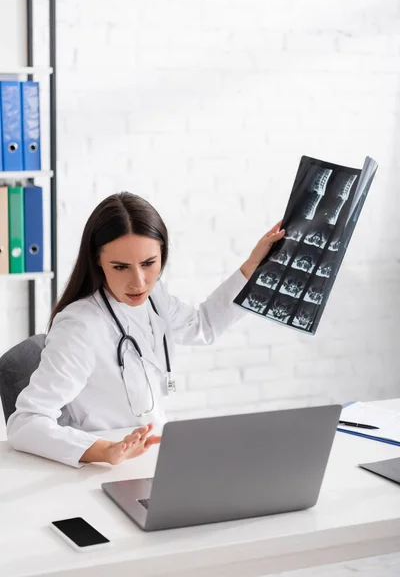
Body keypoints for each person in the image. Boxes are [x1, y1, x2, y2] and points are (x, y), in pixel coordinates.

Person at [7, 193, 284, 468]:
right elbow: (26, 422)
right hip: (105, 471)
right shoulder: (80, 326)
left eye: (149, 263)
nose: (138, 282)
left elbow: (203, 326)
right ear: (97, 262)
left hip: (157, 460)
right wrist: (104, 450)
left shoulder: (155, 297)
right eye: (120, 267)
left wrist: (253, 265)